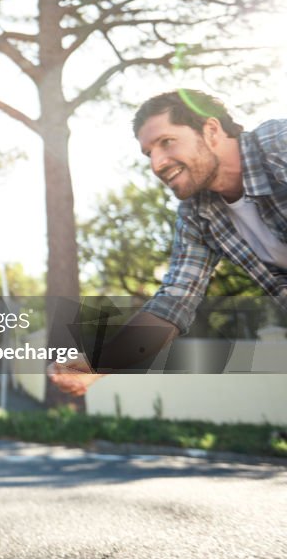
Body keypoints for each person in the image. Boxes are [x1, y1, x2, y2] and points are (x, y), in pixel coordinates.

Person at [50, 89, 287, 395]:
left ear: (211, 130)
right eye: (149, 153)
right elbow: (173, 303)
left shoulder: (277, 145)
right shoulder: (198, 214)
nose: (157, 164)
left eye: (166, 142)